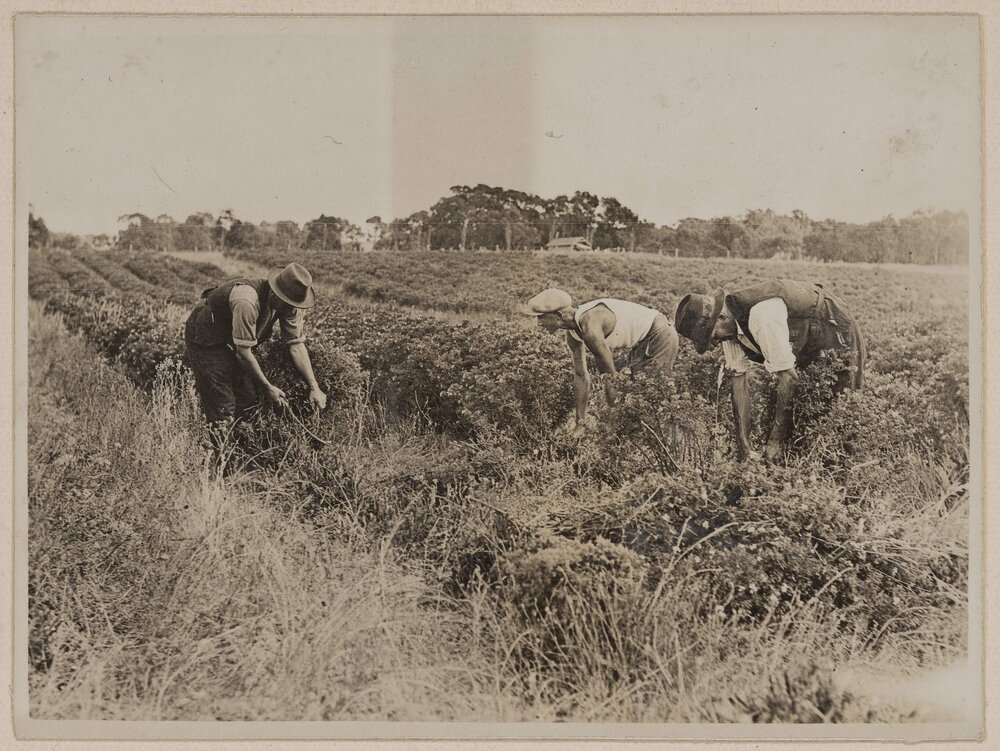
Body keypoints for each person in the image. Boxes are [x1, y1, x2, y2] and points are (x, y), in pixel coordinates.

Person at [674, 278, 865, 462]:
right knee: (805, 420)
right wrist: (744, 445)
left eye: (712, 336)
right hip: (806, 343)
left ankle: (844, 479)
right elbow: (738, 382)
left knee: (840, 415)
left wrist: (775, 441)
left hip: (835, 329)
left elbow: (789, 379)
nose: (715, 343)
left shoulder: (762, 317)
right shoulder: (729, 330)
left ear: (721, 317)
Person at [183, 262, 327, 429]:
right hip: (208, 335)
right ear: (275, 294)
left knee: (247, 397)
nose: (291, 309)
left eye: (294, 304)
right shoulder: (247, 300)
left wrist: (314, 387)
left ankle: (238, 447)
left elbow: (296, 346)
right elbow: (243, 353)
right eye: (287, 303)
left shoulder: (291, 304)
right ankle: (220, 452)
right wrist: (268, 387)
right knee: (222, 403)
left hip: (234, 339)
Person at [521, 288, 678, 436]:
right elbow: (580, 375)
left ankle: (666, 442)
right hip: (641, 342)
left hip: (660, 335)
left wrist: (613, 424)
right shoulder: (573, 335)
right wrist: (580, 423)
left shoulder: (590, 328)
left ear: (558, 315)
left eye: (541, 317)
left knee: (650, 396)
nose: (538, 324)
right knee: (634, 397)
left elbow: (610, 381)